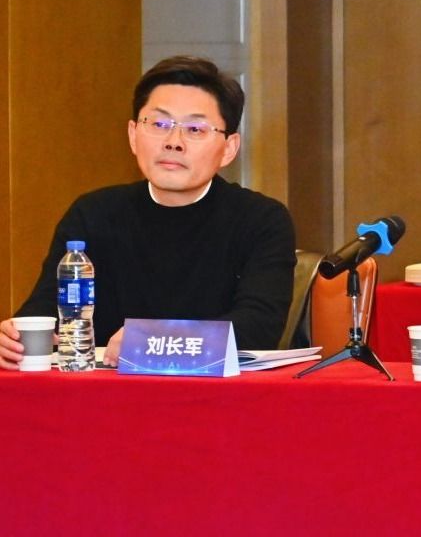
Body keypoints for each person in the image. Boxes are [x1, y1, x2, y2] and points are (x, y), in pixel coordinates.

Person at [0, 56, 296, 370]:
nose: (174, 143)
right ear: (133, 135)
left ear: (229, 148)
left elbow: (258, 329)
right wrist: (14, 339)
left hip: (215, 395)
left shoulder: (262, 221)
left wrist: (151, 341)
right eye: (159, 124)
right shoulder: (93, 214)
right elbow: (47, 310)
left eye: (195, 129)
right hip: (104, 394)